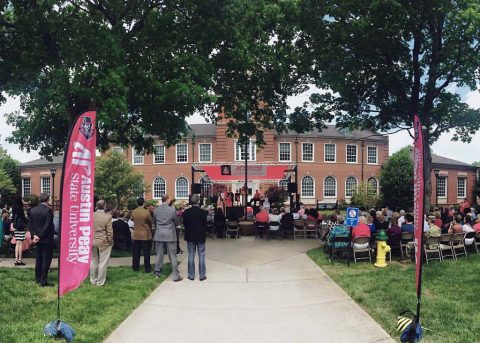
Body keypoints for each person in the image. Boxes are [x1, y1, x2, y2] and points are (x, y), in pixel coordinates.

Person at [153, 194, 182, 281]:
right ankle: (176, 275)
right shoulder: (172, 210)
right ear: (168, 199)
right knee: (172, 255)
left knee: (159, 254)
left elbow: (154, 221)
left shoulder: (156, 210)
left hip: (159, 234)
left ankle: (157, 272)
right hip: (170, 234)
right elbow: (176, 222)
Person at [29, 193, 55, 287]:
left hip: (37, 239)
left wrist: (34, 236)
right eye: (50, 199)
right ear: (47, 200)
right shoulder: (48, 211)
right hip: (46, 239)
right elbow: (47, 225)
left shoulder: (33, 210)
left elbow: (30, 225)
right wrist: (39, 236)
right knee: (46, 260)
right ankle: (43, 281)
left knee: (39, 259)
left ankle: (38, 278)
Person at [183, 195, 208, 281]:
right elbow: (206, 225)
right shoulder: (203, 212)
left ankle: (191, 275)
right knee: (201, 255)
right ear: (198, 201)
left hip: (190, 236)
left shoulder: (186, 212)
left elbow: (185, 224)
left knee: (191, 255)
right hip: (200, 236)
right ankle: (202, 275)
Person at [90, 199, 113, 286]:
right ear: (105, 206)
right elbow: (110, 231)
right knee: (103, 262)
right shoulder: (108, 216)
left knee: (93, 260)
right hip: (104, 241)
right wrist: (111, 241)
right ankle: (100, 282)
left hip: (92, 240)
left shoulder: (91, 215)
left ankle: (93, 280)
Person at [130, 197, 154, 273]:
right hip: (145, 234)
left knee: (136, 252)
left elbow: (132, 219)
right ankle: (147, 268)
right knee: (146, 252)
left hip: (136, 234)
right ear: (143, 203)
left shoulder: (133, 211)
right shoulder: (146, 212)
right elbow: (150, 222)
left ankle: (135, 267)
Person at [12, 195, 27, 266]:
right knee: (20, 243)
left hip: (15, 227)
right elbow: (23, 218)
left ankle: (16, 260)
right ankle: (20, 260)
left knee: (17, 243)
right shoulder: (20, 208)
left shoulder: (13, 208)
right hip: (21, 227)